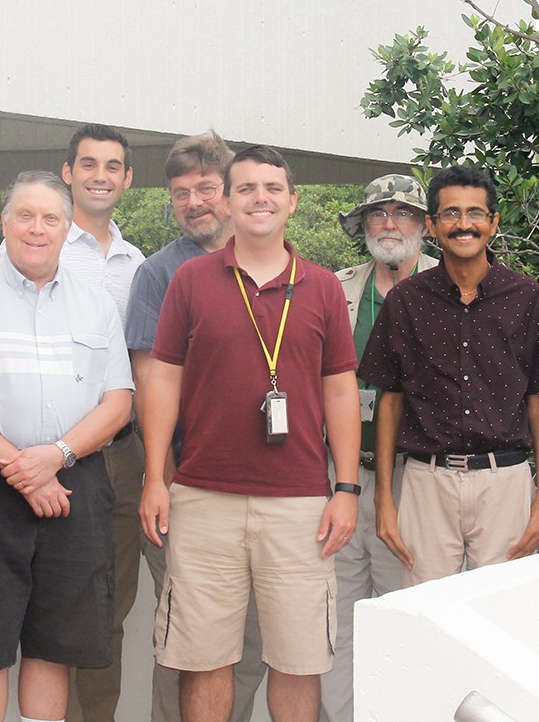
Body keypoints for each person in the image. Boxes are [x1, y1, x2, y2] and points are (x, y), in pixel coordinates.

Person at [140, 145, 360, 722]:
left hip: (300, 503)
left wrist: (347, 488)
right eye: (245, 188)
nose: (259, 198)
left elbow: (340, 390)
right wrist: (155, 477)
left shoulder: (322, 287)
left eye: (271, 188)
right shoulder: (190, 280)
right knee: (204, 659)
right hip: (204, 496)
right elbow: (163, 379)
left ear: (292, 200)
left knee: (298, 660)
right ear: (228, 201)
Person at [0, 172, 134, 722]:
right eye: (25, 216)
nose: (38, 229)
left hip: (74, 481)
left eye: (51, 218)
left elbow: (118, 402)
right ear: (5, 222)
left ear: (66, 227)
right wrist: (22, 467)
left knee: (55, 643)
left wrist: (54, 457)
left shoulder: (96, 303)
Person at [358, 165, 539, 586]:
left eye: (475, 214)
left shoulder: (530, 300)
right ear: (432, 225)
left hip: (506, 482)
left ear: (493, 222)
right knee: (426, 616)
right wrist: (385, 499)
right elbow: (390, 401)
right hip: (426, 482)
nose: (464, 225)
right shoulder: (406, 301)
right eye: (451, 214)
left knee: (503, 617)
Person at [124, 131, 268, 722]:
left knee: (255, 644)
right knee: (187, 642)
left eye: (206, 188)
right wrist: (166, 481)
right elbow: (146, 386)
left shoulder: (276, 266)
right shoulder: (159, 276)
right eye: (181, 193)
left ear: (232, 191)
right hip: (189, 490)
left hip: (270, 491)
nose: (194, 202)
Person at [322, 173, 437, 722]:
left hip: (416, 481)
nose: (389, 225)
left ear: (423, 225)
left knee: (405, 617)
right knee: (334, 620)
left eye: (403, 214)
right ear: (362, 224)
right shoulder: (334, 288)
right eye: (378, 214)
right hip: (339, 477)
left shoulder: (450, 288)